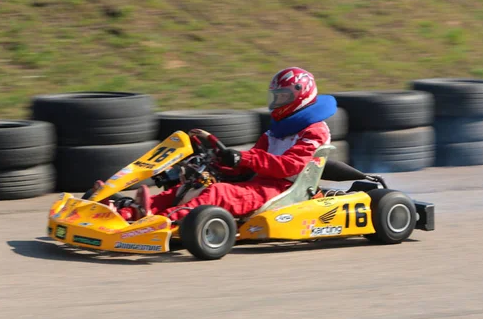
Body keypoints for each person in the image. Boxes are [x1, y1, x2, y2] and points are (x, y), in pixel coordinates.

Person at [96, 67, 338, 223]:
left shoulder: (314, 131)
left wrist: (243, 159)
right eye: (276, 97)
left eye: (283, 97)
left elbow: (290, 166)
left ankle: (158, 222)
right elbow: (254, 159)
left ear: (301, 96)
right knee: (191, 185)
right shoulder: (276, 130)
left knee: (218, 193)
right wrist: (219, 161)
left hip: (282, 190)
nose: (277, 102)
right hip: (258, 183)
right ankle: (127, 213)